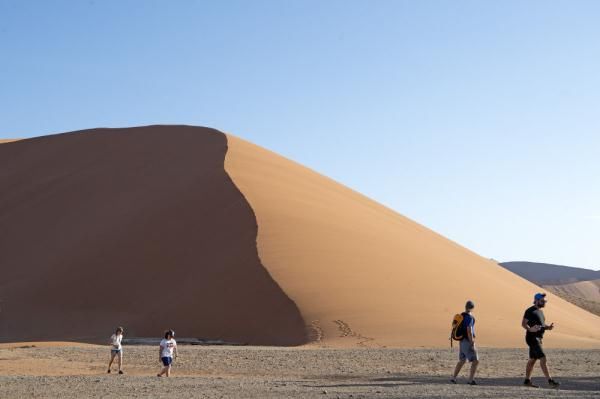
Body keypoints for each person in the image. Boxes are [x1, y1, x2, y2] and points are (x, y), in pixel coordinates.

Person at [522, 293, 560, 388]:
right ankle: (550, 381)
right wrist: (530, 329)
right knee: (543, 358)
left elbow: (541, 325)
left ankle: (527, 381)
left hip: (539, 338)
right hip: (532, 338)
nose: (544, 303)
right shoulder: (530, 311)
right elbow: (523, 323)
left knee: (532, 360)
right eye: (542, 301)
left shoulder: (540, 312)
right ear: (536, 300)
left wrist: (548, 327)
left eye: (545, 301)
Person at [451, 300, 479, 385]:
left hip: (461, 341)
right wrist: (472, 342)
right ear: (472, 308)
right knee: (476, 360)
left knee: (462, 360)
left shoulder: (461, 315)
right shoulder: (470, 317)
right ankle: (470, 380)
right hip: (467, 341)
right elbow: (469, 330)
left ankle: (454, 378)